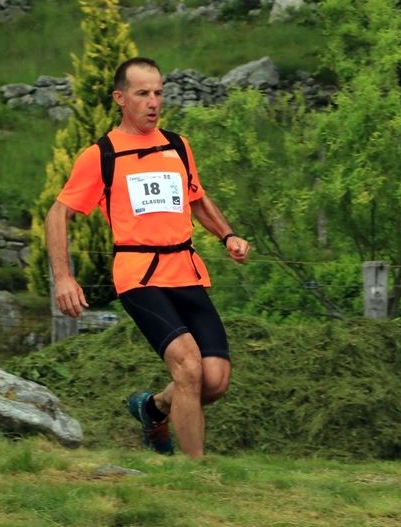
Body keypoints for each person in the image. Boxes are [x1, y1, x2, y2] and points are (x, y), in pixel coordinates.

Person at [45, 56, 251, 458]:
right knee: (188, 367)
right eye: (143, 93)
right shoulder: (102, 154)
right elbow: (58, 213)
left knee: (215, 379)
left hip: (186, 270)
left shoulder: (177, 145)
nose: (153, 102)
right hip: (139, 275)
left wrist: (228, 236)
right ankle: (195, 474)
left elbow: (196, 198)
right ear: (120, 98)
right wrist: (64, 277)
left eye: (158, 92)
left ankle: (153, 408)